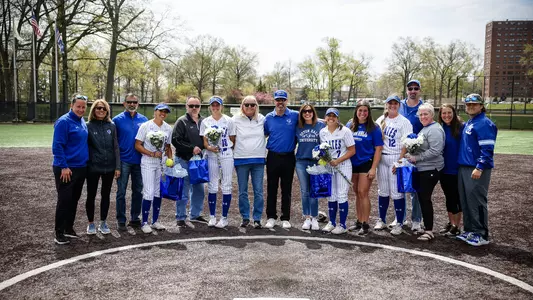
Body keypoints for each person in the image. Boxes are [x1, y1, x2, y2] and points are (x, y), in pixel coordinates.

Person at [456, 94, 497, 246]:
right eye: (468, 104)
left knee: (477, 200)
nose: (471, 106)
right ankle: (470, 230)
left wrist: (480, 166)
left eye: (474, 104)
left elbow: (487, 149)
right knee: (466, 200)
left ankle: (481, 234)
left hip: (476, 168)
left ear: (481, 106)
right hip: (464, 167)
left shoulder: (484, 123)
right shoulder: (470, 122)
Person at [404, 103, 445, 241]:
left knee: (425, 199)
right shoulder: (426, 128)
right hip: (424, 169)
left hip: (431, 169)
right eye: (420, 114)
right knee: (422, 198)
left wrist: (416, 157)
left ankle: (429, 230)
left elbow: (435, 151)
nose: (423, 117)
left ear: (432, 114)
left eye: (425, 114)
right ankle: (427, 228)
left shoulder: (434, 129)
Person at [52, 94, 89, 244]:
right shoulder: (63, 122)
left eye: (83, 107)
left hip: (81, 167)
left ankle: (68, 228)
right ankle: (59, 232)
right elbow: (57, 146)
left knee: (74, 199)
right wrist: (64, 166)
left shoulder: (82, 122)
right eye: (78, 106)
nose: (81, 109)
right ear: (71, 106)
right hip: (66, 169)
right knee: (64, 200)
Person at [374, 95, 413, 236]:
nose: (392, 105)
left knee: (397, 193)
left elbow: (407, 144)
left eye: (395, 103)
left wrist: (400, 161)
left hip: (396, 158)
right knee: (383, 191)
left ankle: (399, 223)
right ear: (386, 105)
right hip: (382, 159)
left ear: (399, 105)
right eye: (390, 103)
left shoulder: (404, 122)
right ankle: (382, 219)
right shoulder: (380, 120)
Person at [135, 103, 174, 234]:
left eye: (165, 112)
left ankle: (155, 221)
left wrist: (170, 160)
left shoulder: (168, 128)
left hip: (160, 163)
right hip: (147, 161)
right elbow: (137, 145)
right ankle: (144, 222)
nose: (163, 114)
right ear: (155, 111)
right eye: (160, 111)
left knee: (158, 192)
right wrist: (151, 153)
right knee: (149, 191)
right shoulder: (145, 126)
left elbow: (168, 147)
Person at [346, 101, 383, 235]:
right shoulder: (350, 125)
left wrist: (373, 168)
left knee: (363, 192)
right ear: (356, 111)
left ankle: (366, 223)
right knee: (356, 192)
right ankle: (359, 221)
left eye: (365, 111)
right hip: (353, 163)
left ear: (369, 112)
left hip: (366, 163)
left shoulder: (374, 128)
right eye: (360, 110)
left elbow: (378, 149)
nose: (362, 113)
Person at [263, 90, 299, 229]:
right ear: (274, 101)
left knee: (287, 188)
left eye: (283, 100)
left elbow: (312, 120)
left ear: (287, 101)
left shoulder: (295, 116)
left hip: (289, 156)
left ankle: (285, 217)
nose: (280, 103)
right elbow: (264, 133)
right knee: (271, 187)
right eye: (278, 100)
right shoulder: (268, 118)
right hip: (273, 156)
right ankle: (271, 217)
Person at [113, 93, 148, 231]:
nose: (132, 104)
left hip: (139, 161)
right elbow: (113, 143)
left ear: (138, 104)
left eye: (134, 102)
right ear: (124, 103)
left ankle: (135, 218)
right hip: (123, 161)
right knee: (121, 191)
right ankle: (121, 220)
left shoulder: (144, 120)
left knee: (138, 191)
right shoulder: (117, 120)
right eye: (129, 102)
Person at [200, 96, 236, 228]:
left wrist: (225, 149)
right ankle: (212, 216)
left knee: (226, 184)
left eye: (218, 105)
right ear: (209, 106)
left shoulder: (229, 120)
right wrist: (209, 147)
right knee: (212, 185)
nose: (215, 107)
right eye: (213, 105)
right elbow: (204, 140)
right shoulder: (205, 121)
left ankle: (224, 217)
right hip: (211, 153)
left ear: (222, 106)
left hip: (226, 153)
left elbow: (232, 138)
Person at [86, 99, 120, 235]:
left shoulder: (111, 126)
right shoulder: (87, 125)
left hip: (109, 167)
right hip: (93, 167)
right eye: (98, 108)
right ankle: (91, 223)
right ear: (94, 110)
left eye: (104, 109)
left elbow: (116, 147)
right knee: (91, 195)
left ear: (107, 111)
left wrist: (117, 166)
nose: (101, 111)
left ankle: (103, 222)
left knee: (105, 195)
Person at [172, 96, 207, 227]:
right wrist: (192, 148)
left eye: (196, 106)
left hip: (198, 162)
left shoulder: (204, 121)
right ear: (186, 106)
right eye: (191, 105)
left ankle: (195, 214)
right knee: (182, 189)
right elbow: (175, 140)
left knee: (199, 189)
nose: (194, 108)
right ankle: (181, 216)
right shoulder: (181, 121)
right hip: (183, 160)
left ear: (200, 107)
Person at [319, 108, 355, 234]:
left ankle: (342, 225)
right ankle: (332, 222)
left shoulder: (345, 131)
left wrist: (338, 161)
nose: (331, 118)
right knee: (331, 195)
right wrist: (323, 159)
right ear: (325, 117)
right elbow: (324, 151)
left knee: (341, 195)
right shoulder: (323, 132)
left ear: (338, 118)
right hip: (330, 166)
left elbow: (352, 150)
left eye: (334, 116)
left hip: (343, 165)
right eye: (329, 115)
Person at [233, 96, 266, 229]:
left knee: (258, 191)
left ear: (256, 106)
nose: (250, 107)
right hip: (241, 159)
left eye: (253, 105)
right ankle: (245, 217)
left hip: (258, 159)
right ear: (242, 106)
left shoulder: (262, 119)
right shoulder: (235, 119)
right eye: (247, 104)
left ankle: (257, 218)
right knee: (242, 191)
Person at [397, 79, 424, 233]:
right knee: (400, 186)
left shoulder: (423, 107)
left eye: (416, 88)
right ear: (406, 90)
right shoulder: (399, 105)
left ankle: (416, 219)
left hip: (416, 152)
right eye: (410, 88)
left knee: (415, 189)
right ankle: (400, 217)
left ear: (419, 90)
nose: (413, 91)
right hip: (400, 151)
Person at [295, 104, 325, 230]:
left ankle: (314, 217)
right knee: (304, 191)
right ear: (301, 114)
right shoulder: (298, 127)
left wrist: (323, 162)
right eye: (304, 112)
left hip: (315, 163)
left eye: (309, 111)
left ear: (313, 112)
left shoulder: (320, 125)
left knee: (314, 191)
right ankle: (307, 218)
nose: (307, 113)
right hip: (301, 162)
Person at [437, 103, 464, 237]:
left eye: (449, 113)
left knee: (456, 198)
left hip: (456, 169)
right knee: (448, 197)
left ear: (453, 113)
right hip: (443, 169)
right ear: (440, 115)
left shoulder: (460, 128)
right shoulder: (440, 128)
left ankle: (456, 226)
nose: (446, 115)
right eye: (444, 113)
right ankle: (451, 222)